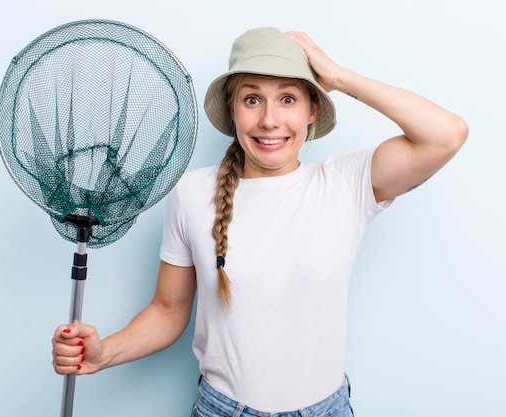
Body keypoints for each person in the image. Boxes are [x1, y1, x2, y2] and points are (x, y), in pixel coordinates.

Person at [52, 27, 468, 416]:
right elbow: (167, 310)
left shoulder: (347, 184)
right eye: (252, 99)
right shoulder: (193, 194)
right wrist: (105, 352)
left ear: (312, 110)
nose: (270, 120)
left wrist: (339, 77)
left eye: (288, 98)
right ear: (233, 110)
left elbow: (446, 133)